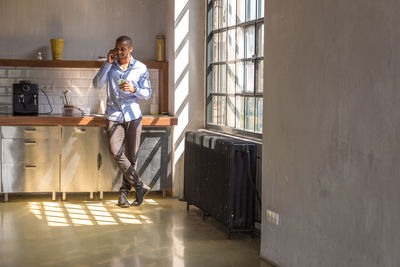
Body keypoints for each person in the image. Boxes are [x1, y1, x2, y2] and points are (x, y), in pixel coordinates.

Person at [93, 36, 152, 208]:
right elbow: (97, 84)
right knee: (115, 151)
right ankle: (139, 186)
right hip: (114, 116)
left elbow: (147, 93)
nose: (119, 52)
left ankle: (123, 195)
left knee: (132, 157)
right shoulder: (110, 66)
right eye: (117, 49)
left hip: (133, 116)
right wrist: (107, 64)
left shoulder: (141, 68)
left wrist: (134, 89)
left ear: (130, 49)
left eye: (123, 49)